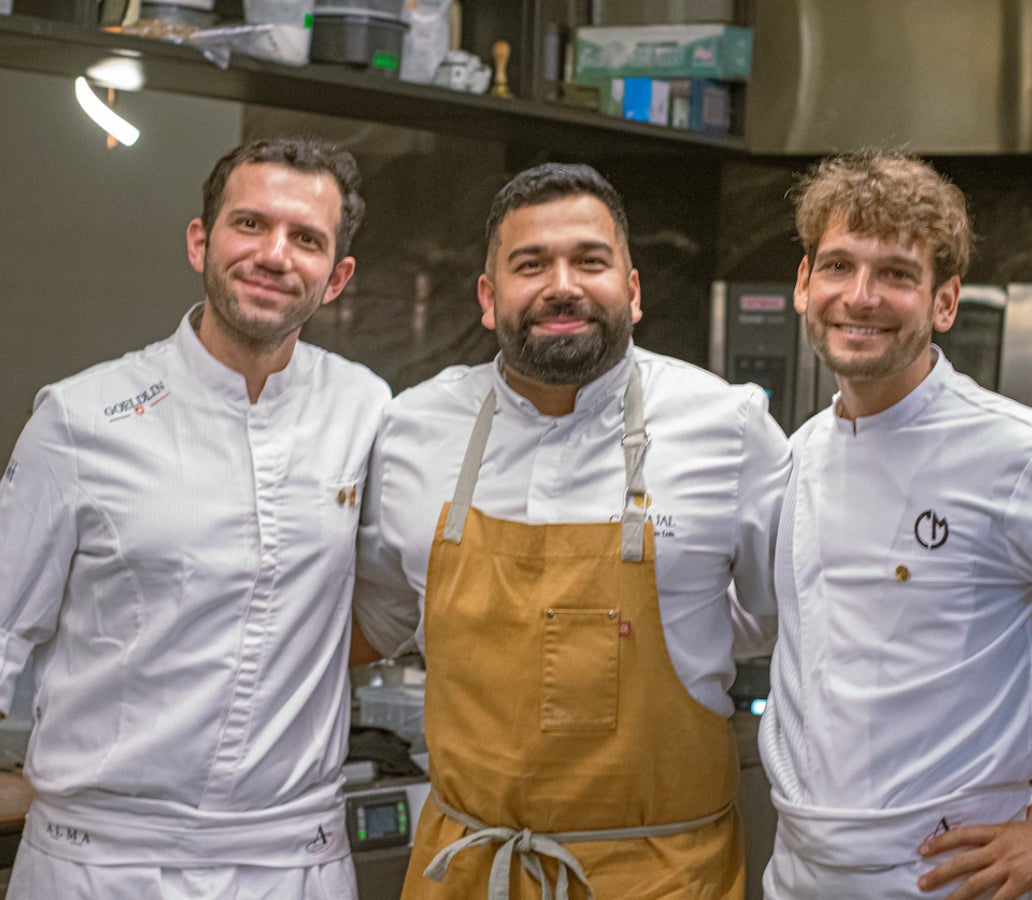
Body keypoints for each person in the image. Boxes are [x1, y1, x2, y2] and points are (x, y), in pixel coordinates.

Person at [352, 161, 791, 898]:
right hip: (469, 869)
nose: (563, 285)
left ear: (634, 289)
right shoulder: (412, 428)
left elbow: (792, 619)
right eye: (531, 265)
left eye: (591, 261)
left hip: (659, 876)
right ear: (489, 299)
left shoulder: (730, 426)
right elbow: (384, 613)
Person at [0, 136, 392, 899]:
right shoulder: (82, 418)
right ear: (199, 241)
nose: (274, 255)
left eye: (306, 239)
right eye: (250, 224)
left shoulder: (369, 411)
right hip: (100, 862)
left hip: (294, 862)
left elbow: (396, 597)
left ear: (337, 276)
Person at [758, 148, 1032, 899]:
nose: (860, 296)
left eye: (897, 274)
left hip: (952, 879)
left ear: (945, 302)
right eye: (838, 266)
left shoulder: (1023, 457)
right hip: (801, 873)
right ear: (805, 285)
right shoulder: (802, 452)